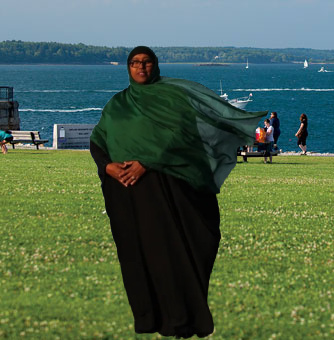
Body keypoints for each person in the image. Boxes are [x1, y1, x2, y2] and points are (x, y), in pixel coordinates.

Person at [90, 46, 266, 338]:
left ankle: (181, 318)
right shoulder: (117, 104)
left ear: (155, 65)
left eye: (147, 62)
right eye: (135, 63)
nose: (141, 68)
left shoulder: (173, 98)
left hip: (167, 190)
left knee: (173, 253)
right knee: (136, 256)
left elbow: (183, 135)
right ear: (128, 67)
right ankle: (148, 318)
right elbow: (99, 139)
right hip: (125, 193)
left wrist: (146, 162)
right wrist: (107, 166)